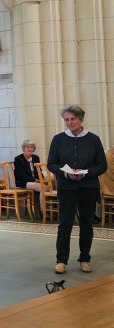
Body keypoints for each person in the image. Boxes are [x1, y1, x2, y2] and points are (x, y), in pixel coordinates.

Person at [47, 105, 106, 274]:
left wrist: (85, 173)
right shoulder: (58, 139)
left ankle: (85, 259)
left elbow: (102, 165)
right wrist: (66, 174)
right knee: (65, 223)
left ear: (80, 119)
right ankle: (61, 261)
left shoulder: (93, 139)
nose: (69, 122)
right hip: (66, 187)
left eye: (73, 119)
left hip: (88, 186)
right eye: (66, 119)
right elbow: (51, 163)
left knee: (86, 224)